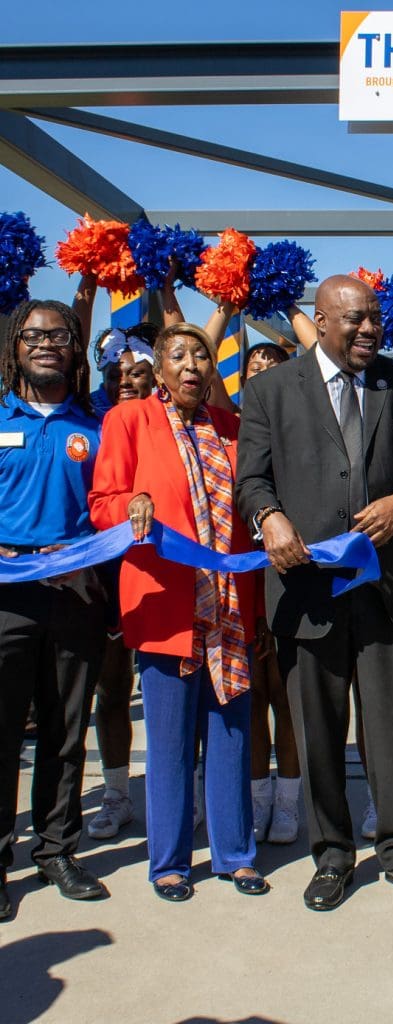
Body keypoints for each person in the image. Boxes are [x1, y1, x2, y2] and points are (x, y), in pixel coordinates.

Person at [237, 275, 393, 910]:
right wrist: (269, 517)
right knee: (318, 734)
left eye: (374, 318)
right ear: (322, 320)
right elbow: (251, 479)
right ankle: (331, 856)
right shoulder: (270, 390)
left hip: (388, 588)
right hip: (308, 592)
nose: (369, 329)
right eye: (355, 318)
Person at [89, 322, 264, 903]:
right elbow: (103, 502)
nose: (192, 364)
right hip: (166, 606)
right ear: (160, 369)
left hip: (231, 607)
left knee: (231, 735)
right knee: (168, 743)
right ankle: (168, 861)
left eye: (202, 356)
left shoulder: (232, 428)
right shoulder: (129, 419)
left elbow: (251, 512)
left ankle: (235, 854)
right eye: (180, 355)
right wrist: (132, 502)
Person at [0, 300, 109, 920]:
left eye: (59, 335)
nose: (46, 344)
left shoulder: (96, 428)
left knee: (66, 732)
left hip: (74, 596)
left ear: (75, 349)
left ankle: (57, 850)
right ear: (14, 346)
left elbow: (111, 508)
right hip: (5, 597)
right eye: (33, 335)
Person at [86, 329, 156, 844]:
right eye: (115, 374)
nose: (125, 382)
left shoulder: (172, 417)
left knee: (175, 688)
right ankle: (116, 795)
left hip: (161, 571)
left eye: (137, 373)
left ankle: (187, 788)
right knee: (112, 689)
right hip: (104, 572)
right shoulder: (86, 417)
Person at [237, 339, 302, 845]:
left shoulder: (298, 423)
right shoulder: (227, 423)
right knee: (252, 695)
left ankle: (288, 802)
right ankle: (258, 798)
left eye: (273, 364)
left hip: (286, 571)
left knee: (286, 695)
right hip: (240, 576)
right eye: (254, 364)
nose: (262, 369)